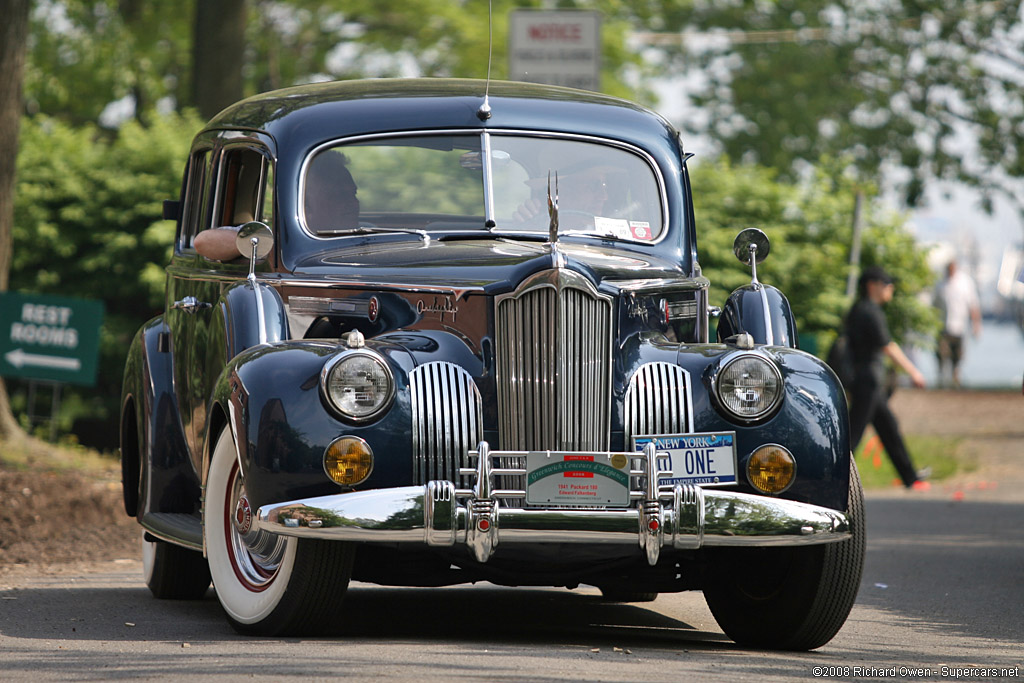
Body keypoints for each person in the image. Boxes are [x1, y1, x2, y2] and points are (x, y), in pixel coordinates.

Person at [845, 266, 928, 489]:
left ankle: (910, 477)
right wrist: (914, 372)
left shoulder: (859, 309)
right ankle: (836, 476)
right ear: (872, 285)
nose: (891, 288)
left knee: (888, 427)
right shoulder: (870, 312)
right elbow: (888, 347)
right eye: (887, 284)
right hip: (868, 381)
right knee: (854, 435)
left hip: (867, 381)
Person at [193, 151, 359, 261]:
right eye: (339, 196)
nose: (353, 203)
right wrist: (268, 243)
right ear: (304, 207)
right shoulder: (276, 238)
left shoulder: (369, 233)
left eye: (353, 194)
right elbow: (203, 242)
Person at [934, 260, 982, 388]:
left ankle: (955, 382)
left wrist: (976, 325)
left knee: (957, 357)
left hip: (960, 327)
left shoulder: (965, 283)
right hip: (942, 327)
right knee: (942, 355)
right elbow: (933, 305)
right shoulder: (940, 284)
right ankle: (942, 382)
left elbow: (973, 305)